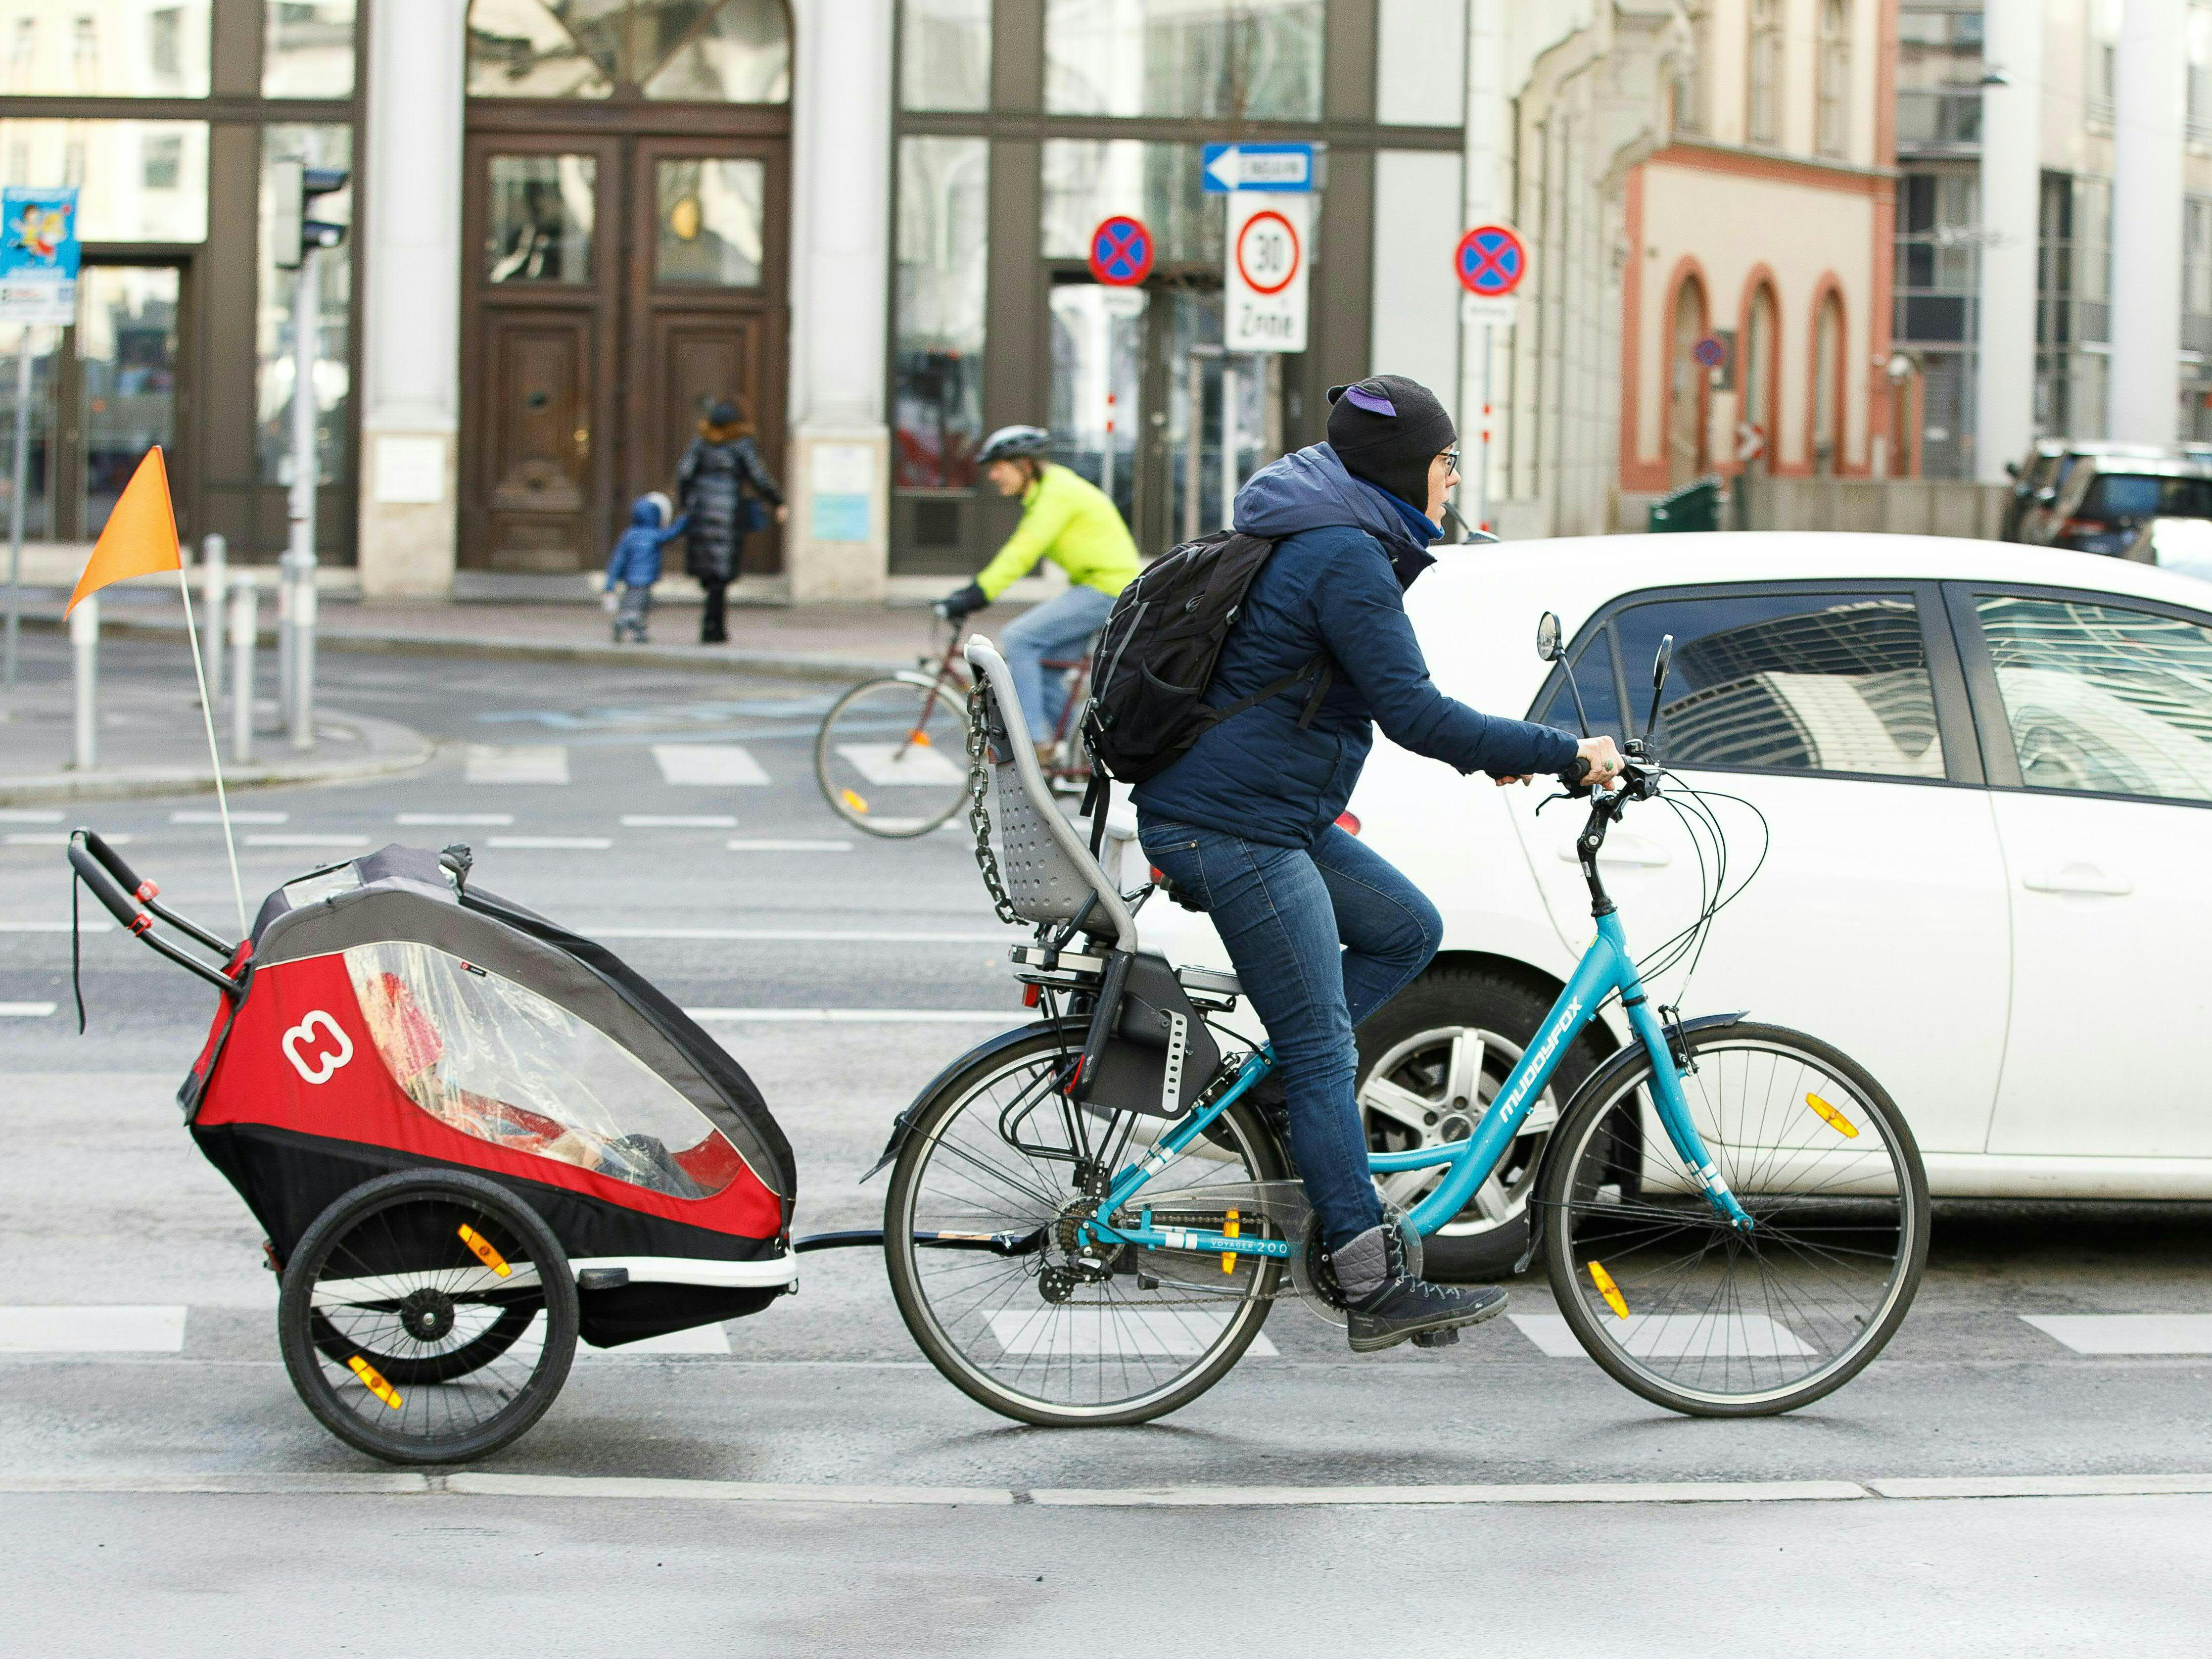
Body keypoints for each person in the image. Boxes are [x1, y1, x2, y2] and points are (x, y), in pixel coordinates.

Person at [1134, 374, 1624, 1354]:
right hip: (1233, 828)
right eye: (1449, 463)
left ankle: (1277, 1091)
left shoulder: (1329, 528)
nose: (1453, 483)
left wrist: (1505, 752)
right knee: (1326, 1049)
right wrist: (1561, 750)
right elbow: (1413, 711)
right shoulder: (1342, 555)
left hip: (1266, 812)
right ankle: (1367, 1278)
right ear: (1415, 468)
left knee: (1406, 928)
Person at [938, 426, 1141, 761]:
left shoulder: (1057, 493)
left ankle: (1034, 742)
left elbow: (1022, 551)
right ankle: (1082, 747)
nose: (993, 475)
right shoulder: (1049, 491)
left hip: (1107, 589)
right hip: (1099, 586)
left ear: (1025, 466)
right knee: (1044, 666)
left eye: (999, 466)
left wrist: (976, 594)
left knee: (1019, 638)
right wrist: (973, 592)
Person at [678, 399, 787, 644]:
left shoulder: (700, 443)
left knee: (710, 572)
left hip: (703, 510)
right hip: (728, 512)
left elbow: (684, 474)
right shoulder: (742, 444)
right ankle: (714, 627)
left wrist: (688, 504)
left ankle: (713, 625)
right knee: (721, 574)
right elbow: (758, 476)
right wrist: (777, 501)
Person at [602, 495, 688, 644]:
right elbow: (671, 534)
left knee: (638, 603)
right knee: (637, 607)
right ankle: (626, 623)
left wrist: (611, 582)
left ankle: (637, 630)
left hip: (631, 579)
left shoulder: (629, 535)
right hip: (645, 578)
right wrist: (685, 520)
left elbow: (617, 560)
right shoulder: (653, 535)